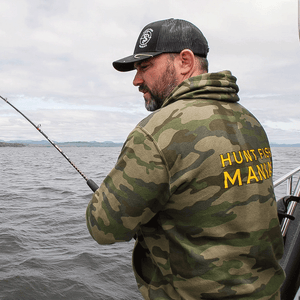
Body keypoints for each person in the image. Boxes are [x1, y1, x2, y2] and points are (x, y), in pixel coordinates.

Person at [86, 18, 285, 299]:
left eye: (145, 66)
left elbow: (103, 227)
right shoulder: (250, 122)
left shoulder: (155, 132)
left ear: (185, 61)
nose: (136, 80)